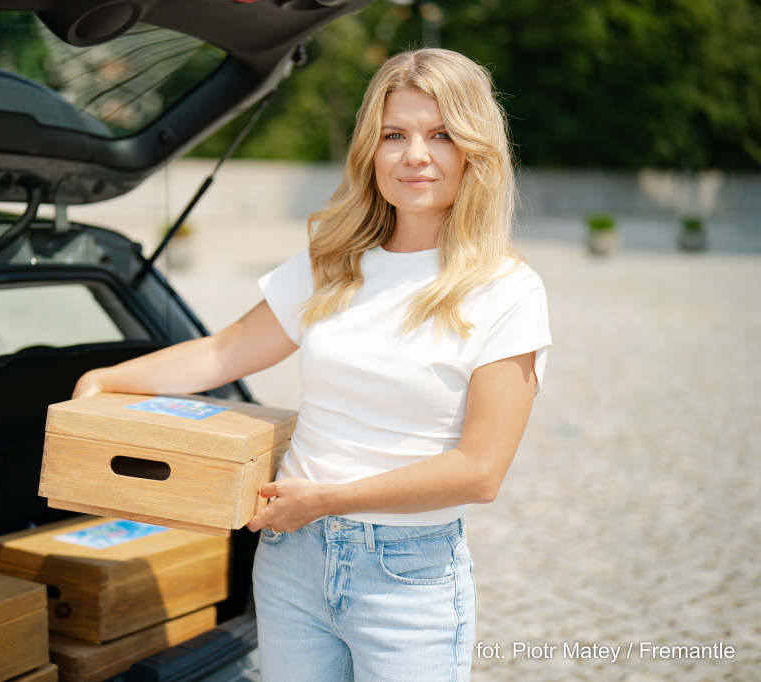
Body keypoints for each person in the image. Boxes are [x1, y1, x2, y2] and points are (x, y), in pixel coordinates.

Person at [73, 47, 551, 682]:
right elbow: (222, 352)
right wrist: (108, 379)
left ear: (474, 150)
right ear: (369, 151)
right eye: (394, 135)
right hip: (290, 559)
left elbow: (479, 472)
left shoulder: (507, 290)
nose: (415, 154)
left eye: (439, 134)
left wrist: (325, 500)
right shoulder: (334, 263)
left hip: (407, 578)